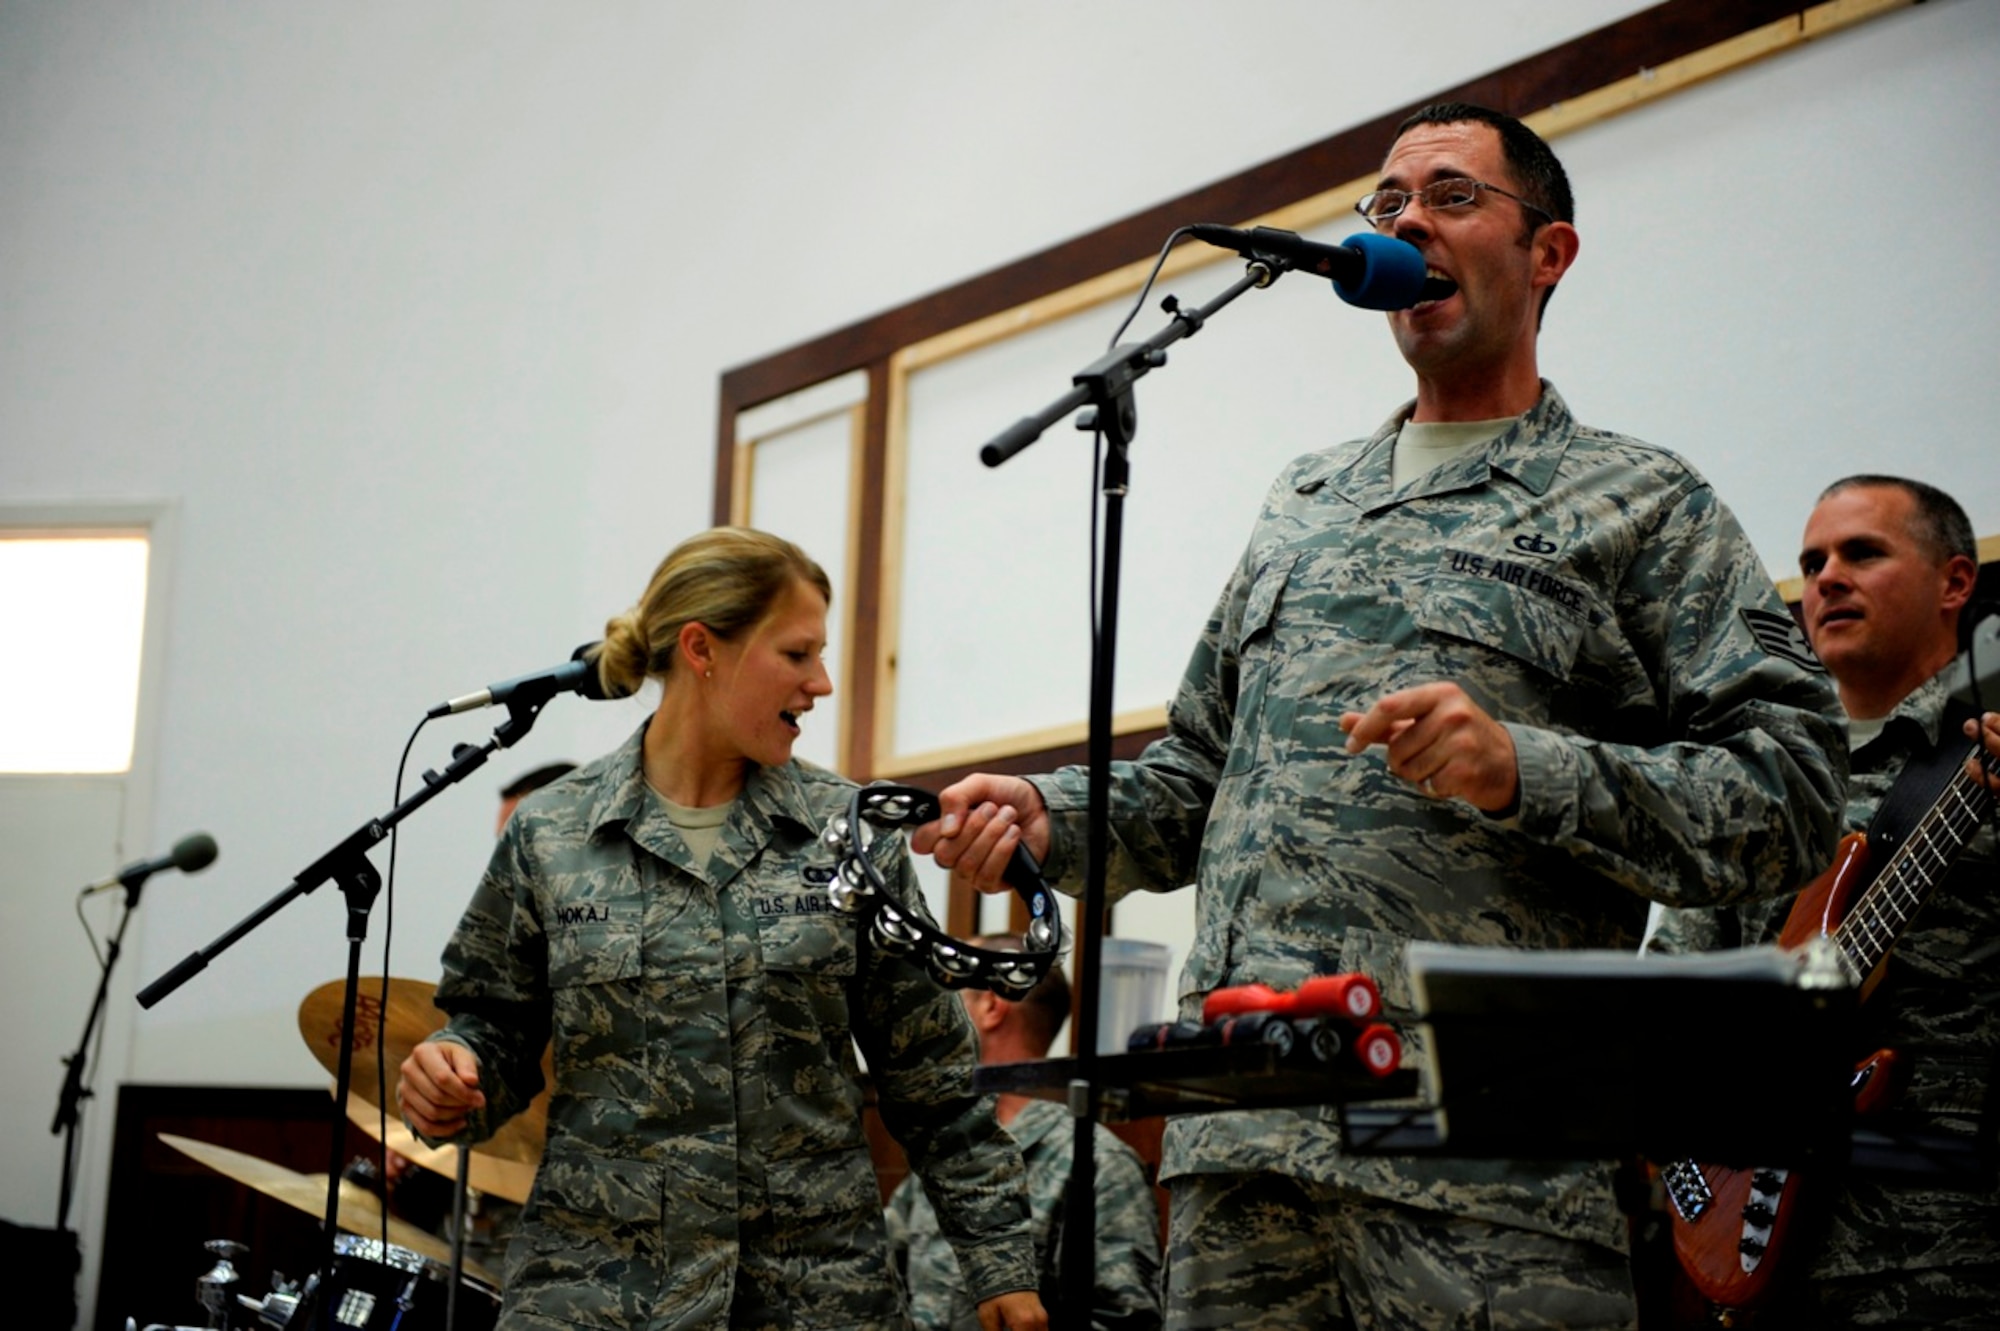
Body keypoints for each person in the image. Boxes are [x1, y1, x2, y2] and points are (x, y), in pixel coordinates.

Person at [914, 102, 1848, 1328]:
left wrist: (1524, 766)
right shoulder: (1303, 500)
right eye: (1388, 203)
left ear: (1547, 253)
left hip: (1488, 1171)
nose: (1407, 221)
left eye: (1452, 197)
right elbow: (1193, 780)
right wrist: (1048, 811)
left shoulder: (1639, 501)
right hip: (1238, 1149)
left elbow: (1788, 791)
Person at [397, 526, 1046, 1331]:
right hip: (598, 1296)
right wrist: (453, 1070)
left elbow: (935, 1087)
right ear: (703, 649)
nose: (825, 681)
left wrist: (1002, 1269)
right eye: (798, 653)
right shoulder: (552, 834)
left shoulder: (852, 837)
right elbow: (491, 1025)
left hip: (814, 1302)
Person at [1648, 476, 2000, 1328]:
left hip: (1947, 1253)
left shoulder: (1982, 756)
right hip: (1761, 1261)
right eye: (1812, 561)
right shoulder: (1759, 784)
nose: (1826, 577)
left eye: (1862, 553)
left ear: (1956, 581)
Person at [885, 939, 1163, 1331]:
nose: (926, 1016)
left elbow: (1126, 1322)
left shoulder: (1097, 1164)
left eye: (945, 994)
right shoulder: (948, 1152)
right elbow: (880, 1270)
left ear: (992, 1007)